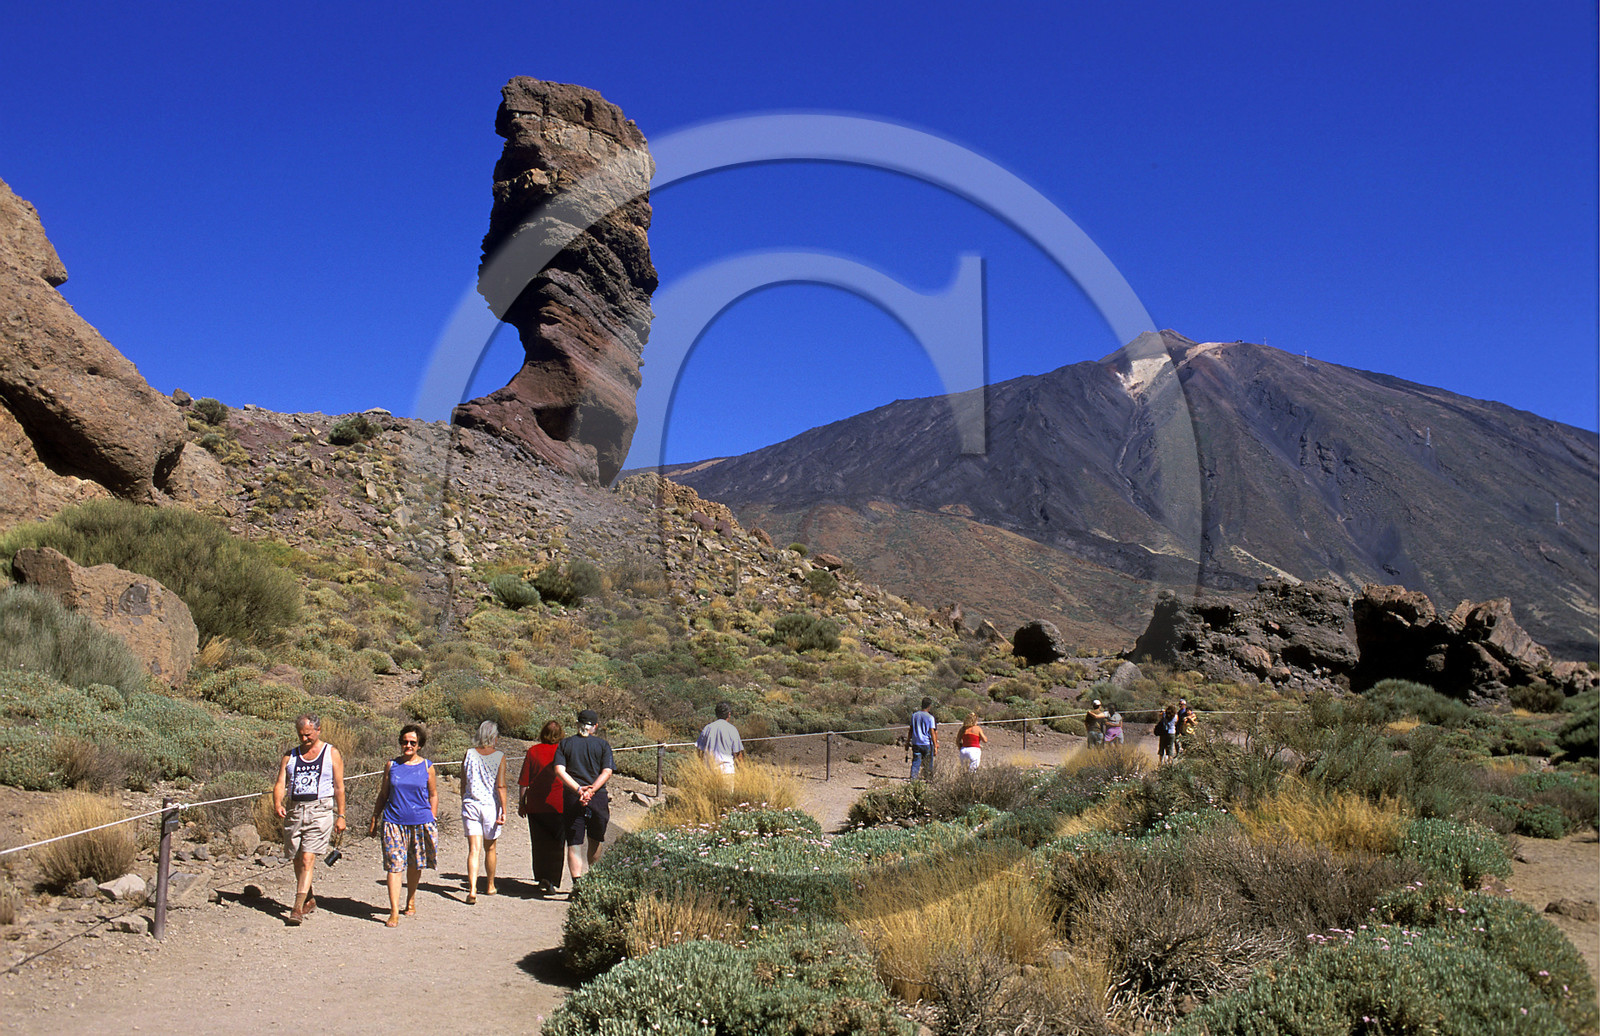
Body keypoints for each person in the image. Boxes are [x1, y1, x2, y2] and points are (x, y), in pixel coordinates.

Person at [271, 714, 346, 926]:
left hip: (320, 810)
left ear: (319, 730)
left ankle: (296, 907)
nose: (305, 740)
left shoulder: (331, 753)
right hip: (295, 810)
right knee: (296, 856)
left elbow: (339, 787)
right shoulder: (290, 756)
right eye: (301, 735)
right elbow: (280, 783)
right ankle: (309, 898)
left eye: (309, 735)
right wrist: (278, 803)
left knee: (307, 858)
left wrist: (341, 815)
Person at [369, 723, 438, 927]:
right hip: (393, 822)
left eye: (412, 743)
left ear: (419, 745)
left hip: (420, 822)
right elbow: (383, 794)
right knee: (394, 865)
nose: (408, 745)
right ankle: (393, 911)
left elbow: (433, 795)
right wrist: (375, 816)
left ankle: (411, 900)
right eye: (405, 741)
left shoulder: (427, 766)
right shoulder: (391, 765)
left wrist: (432, 818)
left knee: (415, 864)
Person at [554, 709, 614, 883]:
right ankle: (593, 879)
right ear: (595, 727)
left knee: (574, 842)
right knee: (595, 838)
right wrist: (592, 790)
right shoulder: (603, 746)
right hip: (598, 797)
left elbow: (559, 770)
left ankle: (577, 882)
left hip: (573, 797)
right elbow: (607, 771)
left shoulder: (565, 744)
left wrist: (579, 790)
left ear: (577, 725)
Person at [460, 720, 506, 904]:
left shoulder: (469, 754)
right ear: (494, 736)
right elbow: (501, 785)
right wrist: (504, 809)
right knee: (491, 848)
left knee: (474, 849)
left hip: (471, 803)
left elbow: (463, 781)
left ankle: (472, 889)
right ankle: (490, 885)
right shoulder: (499, 756)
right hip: (490, 806)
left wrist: (463, 799)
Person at [518, 719, 566, 896]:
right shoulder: (564, 751)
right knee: (557, 844)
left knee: (539, 843)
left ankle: (542, 878)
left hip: (536, 805)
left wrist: (522, 802)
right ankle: (553, 880)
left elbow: (524, 781)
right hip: (559, 805)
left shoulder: (533, 751)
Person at [696, 701, 746, 775]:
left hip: (710, 772)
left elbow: (700, 751)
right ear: (729, 714)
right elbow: (738, 754)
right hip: (727, 771)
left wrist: (701, 769)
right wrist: (743, 772)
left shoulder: (707, 728)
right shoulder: (732, 729)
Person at [907, 698, 938, 779]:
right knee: (928, 763)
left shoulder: (914, 715)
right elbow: (932, 732)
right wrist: (935, 746)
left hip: (916, 742)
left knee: (916, 761)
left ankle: (913, 778)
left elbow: (911, 730)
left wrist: (907, 742)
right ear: (929, 706)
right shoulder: (930, 717)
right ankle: (928, 778)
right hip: (926, 743)